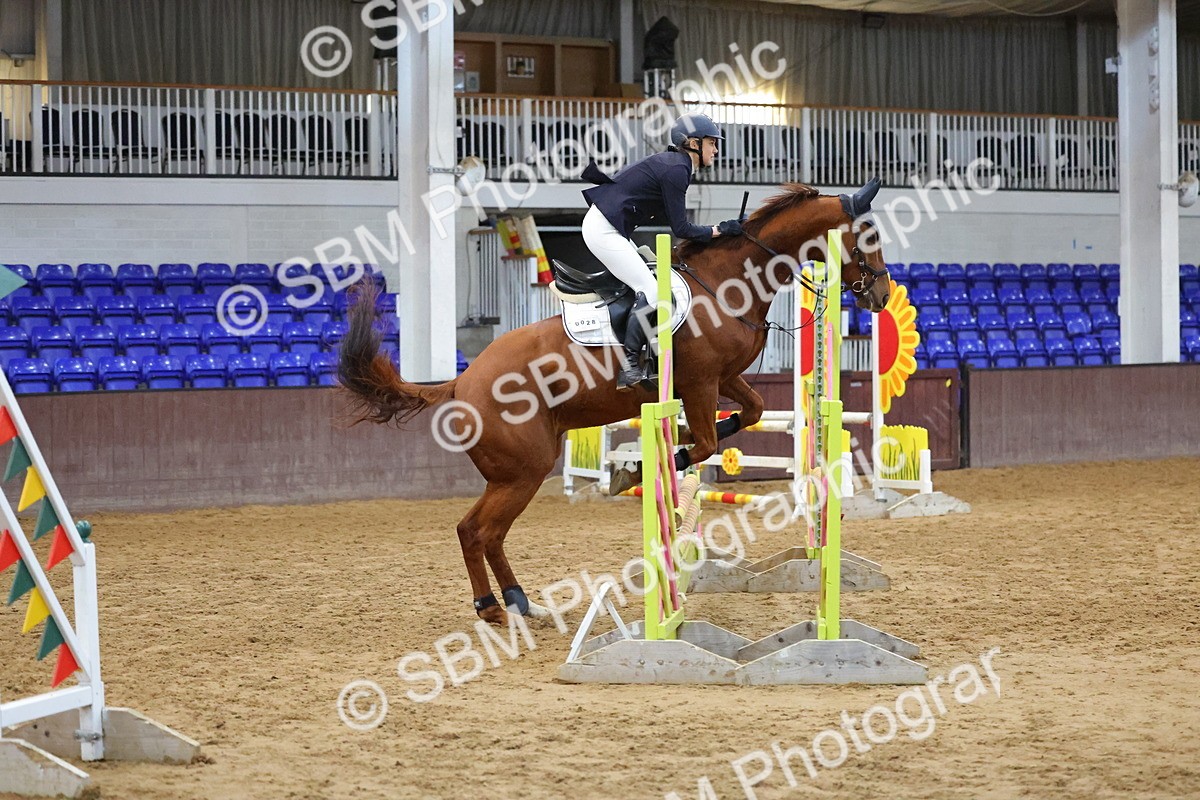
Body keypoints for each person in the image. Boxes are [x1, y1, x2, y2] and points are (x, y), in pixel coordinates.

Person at [581, 112, 744, 390]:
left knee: (654, 282)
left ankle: (650, 353)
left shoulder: (676, 165)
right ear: (693, 143)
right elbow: (681, 228)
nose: (716, 150)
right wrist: (720, 230)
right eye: (711, 143)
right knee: (654, 291)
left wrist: (718, 230)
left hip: (611, 228)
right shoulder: (677, 169)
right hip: (603, 231)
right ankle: (629, 364)